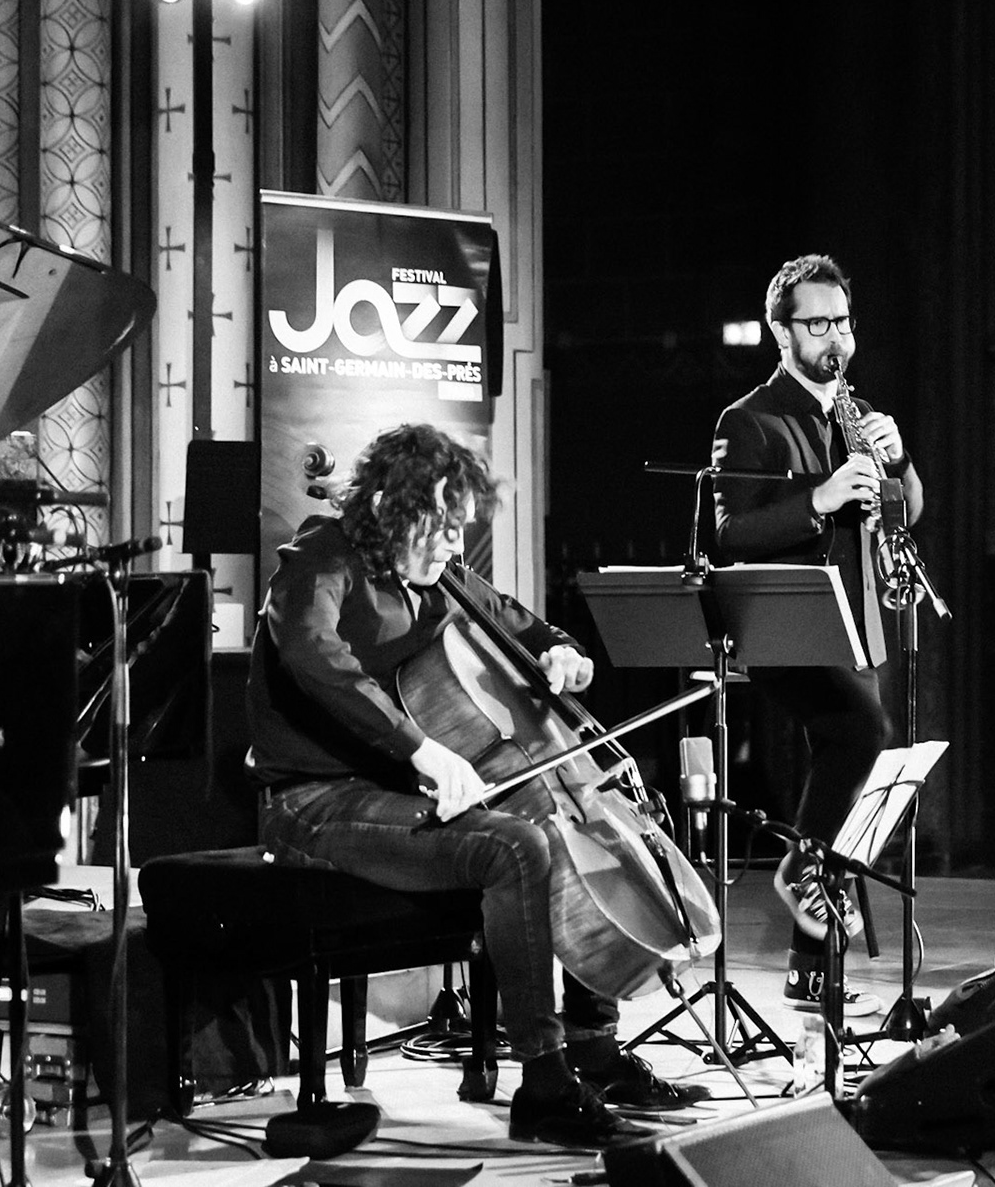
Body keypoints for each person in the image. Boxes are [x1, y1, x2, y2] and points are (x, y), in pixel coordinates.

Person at [247, 423, 705, 1149]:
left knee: (566, 831)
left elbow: (521, 625)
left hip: (393, 795)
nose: (454, 547)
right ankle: (546, 1083)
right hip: (313, 803)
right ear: (395, 511)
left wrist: (562, 654)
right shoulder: (319, 557)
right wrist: (421, 748)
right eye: (442, 527)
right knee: (518, 846)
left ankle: (593, 1046)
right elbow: (314, 653)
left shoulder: (439, 579)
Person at [710, 253, 924, 1017]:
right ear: (781, 330)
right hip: (785, 620)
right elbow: (730, 532)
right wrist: (821, 497)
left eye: (843, 322)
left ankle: (813, 966)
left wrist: (898, 465)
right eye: (817, 323)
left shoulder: (855, 413)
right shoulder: (750, 419)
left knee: (860, 770)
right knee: (862, 729)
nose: (834, 336)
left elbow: (907, 510)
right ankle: (802, 866)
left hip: (861, 617)